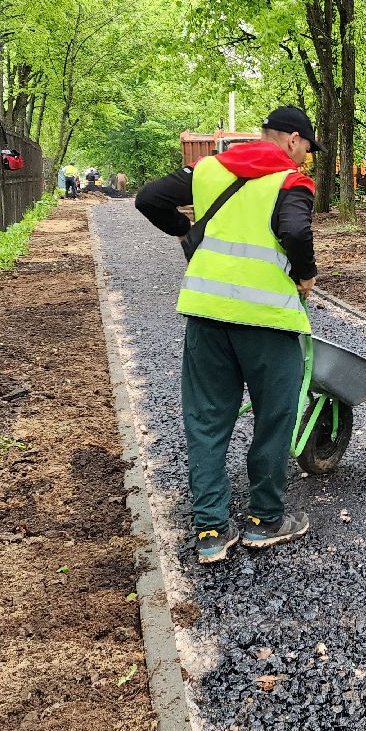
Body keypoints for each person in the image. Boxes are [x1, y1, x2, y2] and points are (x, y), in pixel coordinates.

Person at [136, 106, 321, 564]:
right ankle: (265, 520)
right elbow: (295, 230)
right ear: (293, 139)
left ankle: (211, 530)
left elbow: (149, 198)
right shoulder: (291, 182)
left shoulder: (208, 169)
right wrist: (305, 274)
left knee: (206, 419)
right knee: (274, 418)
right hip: (268, 322)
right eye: (306, 148)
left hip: (207, 314)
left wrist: (186, 230)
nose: (305, 156)